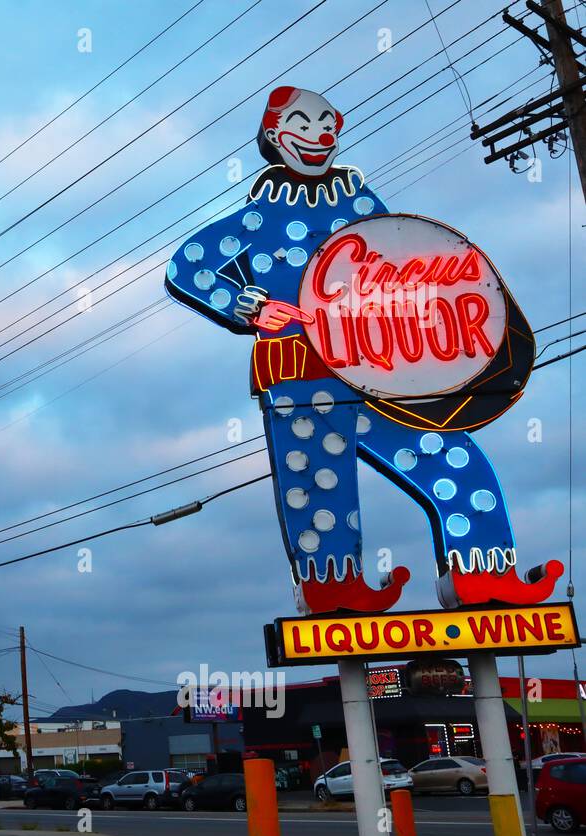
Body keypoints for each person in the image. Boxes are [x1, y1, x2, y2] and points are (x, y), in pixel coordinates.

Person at [165, 86, 561, 613]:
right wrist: (249, 308)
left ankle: (483, 576)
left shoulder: (361, 205)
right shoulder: (256, 220)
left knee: (450, 454)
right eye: (303, 123)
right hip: (300, 372)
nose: (319, 135)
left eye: (328, 124)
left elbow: (403, 252)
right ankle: (333, 590)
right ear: (273, 134)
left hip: (381, 366)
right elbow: (187, 266)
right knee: (318, 484)